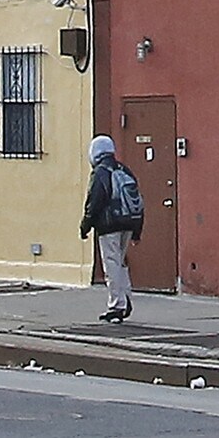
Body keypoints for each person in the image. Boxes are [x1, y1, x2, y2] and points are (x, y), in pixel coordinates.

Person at [80, 134, 142, 322]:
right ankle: (126, 298)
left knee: (111, 264)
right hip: (128, 223)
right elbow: (138, 200)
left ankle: (116, 305)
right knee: (121, 262)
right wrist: (137, 231)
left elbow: (95, 202)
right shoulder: (123, 170)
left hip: (109, 225)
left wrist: (86, 225)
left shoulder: (101, 173)